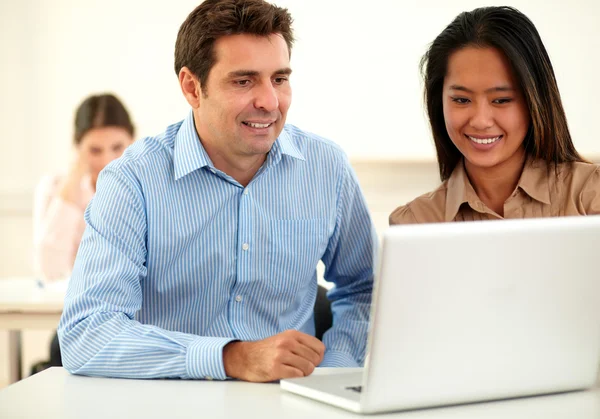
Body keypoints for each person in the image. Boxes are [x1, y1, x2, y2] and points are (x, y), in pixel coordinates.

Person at [58, 0, 375, 383]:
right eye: (244, 81)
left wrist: (335, 368)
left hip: (292, 402)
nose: (270, 102)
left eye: (279, 79)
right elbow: (87, 332)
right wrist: (230, 358)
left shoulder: (327, 167)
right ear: (192, 87)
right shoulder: (133, 181)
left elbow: (365, 288)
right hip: (169, 400)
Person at [390, 6, 600, 225]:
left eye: (501, 100)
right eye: (462, 100)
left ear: (535, 101)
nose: (481, 121)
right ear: (438, 101)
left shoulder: (591, 195)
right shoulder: (415, 222)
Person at [31, 93, 135, 373]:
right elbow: (49, 270)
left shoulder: (143, 188)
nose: (108, 160)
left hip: (134, 319)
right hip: (82, 319)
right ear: (78, 149)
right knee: (63, 349)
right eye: (94, 150)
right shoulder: (55, 188)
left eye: (117, 147)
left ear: (133, 141)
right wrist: (72, 187)